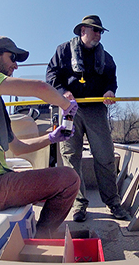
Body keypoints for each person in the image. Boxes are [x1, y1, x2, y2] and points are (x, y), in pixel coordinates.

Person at [0, 36, 80, 238]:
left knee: (55, 178)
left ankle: (35, 234)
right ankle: (41, 237)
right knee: (69, 179)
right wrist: (66, 106)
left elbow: (17, 147)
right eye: (12, 58)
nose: (16, 65)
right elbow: (40, 88)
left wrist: (51, 138)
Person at [46, 15, 129, 222]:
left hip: (96, 111)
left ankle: (113, 202)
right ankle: (78, 205)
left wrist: (110, 91)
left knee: (105, 156)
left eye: (101, 31)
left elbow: (112, 79)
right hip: (69, 110)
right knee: (71, 157)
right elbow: (51, 75)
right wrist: (63, 91)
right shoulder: (63, 50)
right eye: (95, 30)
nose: (99, 35)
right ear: (83, 30)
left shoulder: (107, 58)